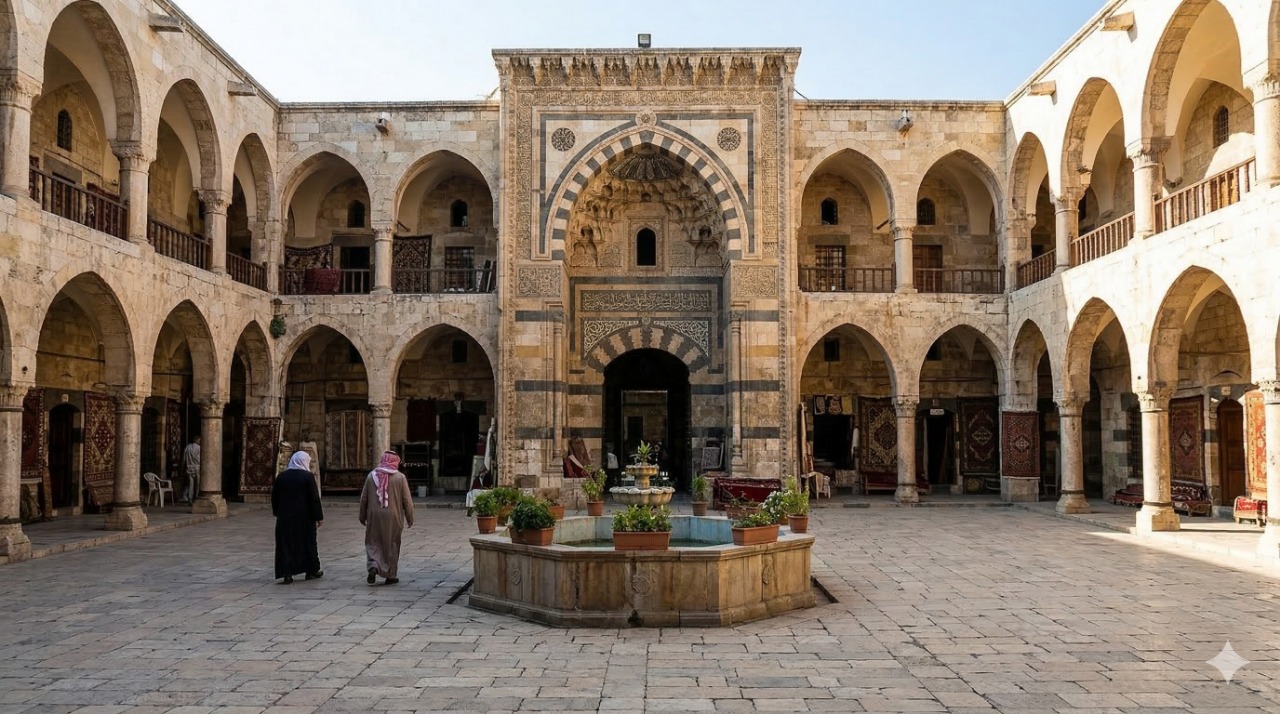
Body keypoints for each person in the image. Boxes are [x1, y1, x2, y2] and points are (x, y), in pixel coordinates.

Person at [359, 451, 414, 585]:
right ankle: (391, 575)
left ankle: (373, 565)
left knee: (373, 541)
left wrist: (362, 516)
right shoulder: (400, 477)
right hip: (393, 516)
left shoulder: (371, 476)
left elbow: (363, 498)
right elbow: (407, 500)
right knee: (392, 543)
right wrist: (410, 517)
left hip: (374, 515)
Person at [271, 451, 324, 584]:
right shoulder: (307, 477)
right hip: (304, 519)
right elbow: (314, 499)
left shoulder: (281, 477)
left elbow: (274, 497)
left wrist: (277, 512)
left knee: (286, 545)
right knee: (307, 543)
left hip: (285, 518)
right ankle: (311, 570)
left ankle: (287, 573)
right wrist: (318, 516)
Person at [182, 436, 201, 504]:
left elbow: (184, 459)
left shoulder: (187, 447)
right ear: (197, 440)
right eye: (199, 440)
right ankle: (196, 497)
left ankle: (190, 498)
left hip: (189, 467)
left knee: (191, 484)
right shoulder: (199, 448)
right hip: (197, 467)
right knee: (198, 484)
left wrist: (183, 466)